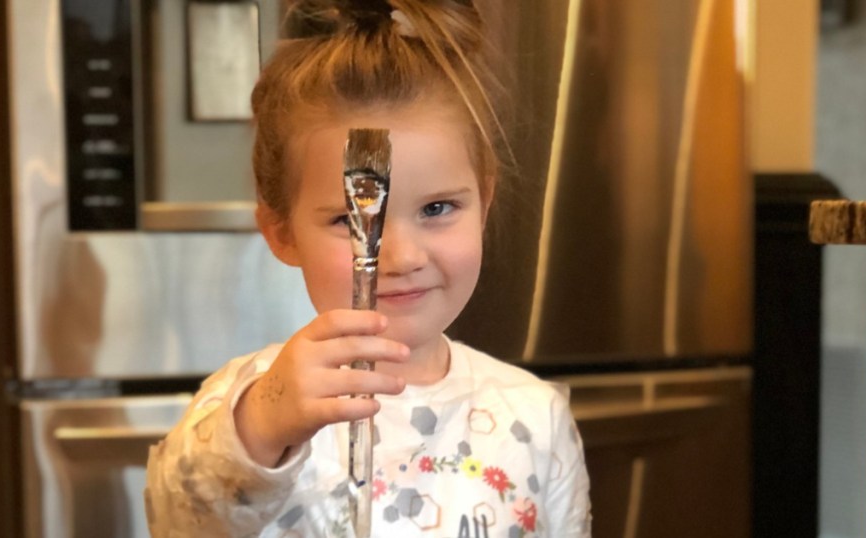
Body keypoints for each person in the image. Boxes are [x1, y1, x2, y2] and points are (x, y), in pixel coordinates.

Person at [144, 0, 591, 535]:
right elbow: (179, 520)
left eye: (437, 209)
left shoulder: (535, 417)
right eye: (347, 220)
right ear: (282, 233)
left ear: (485, 203)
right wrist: (262, 426)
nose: (399, 258)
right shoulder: (256, 401)